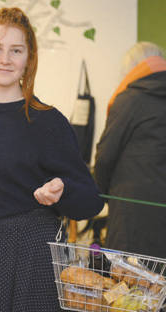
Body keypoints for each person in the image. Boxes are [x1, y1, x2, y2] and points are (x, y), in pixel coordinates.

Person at [0, 7, 104, 311]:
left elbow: (90, 200)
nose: (5, 59)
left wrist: (61, 188)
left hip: (35, 254)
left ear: (29, 58)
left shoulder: (47, 121)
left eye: (16, 51)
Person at [94, 42, 166, 259]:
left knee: (130, 287)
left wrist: (99, 195)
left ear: (132, 70)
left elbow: (106, 155)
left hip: (132, 214)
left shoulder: (129, 100)